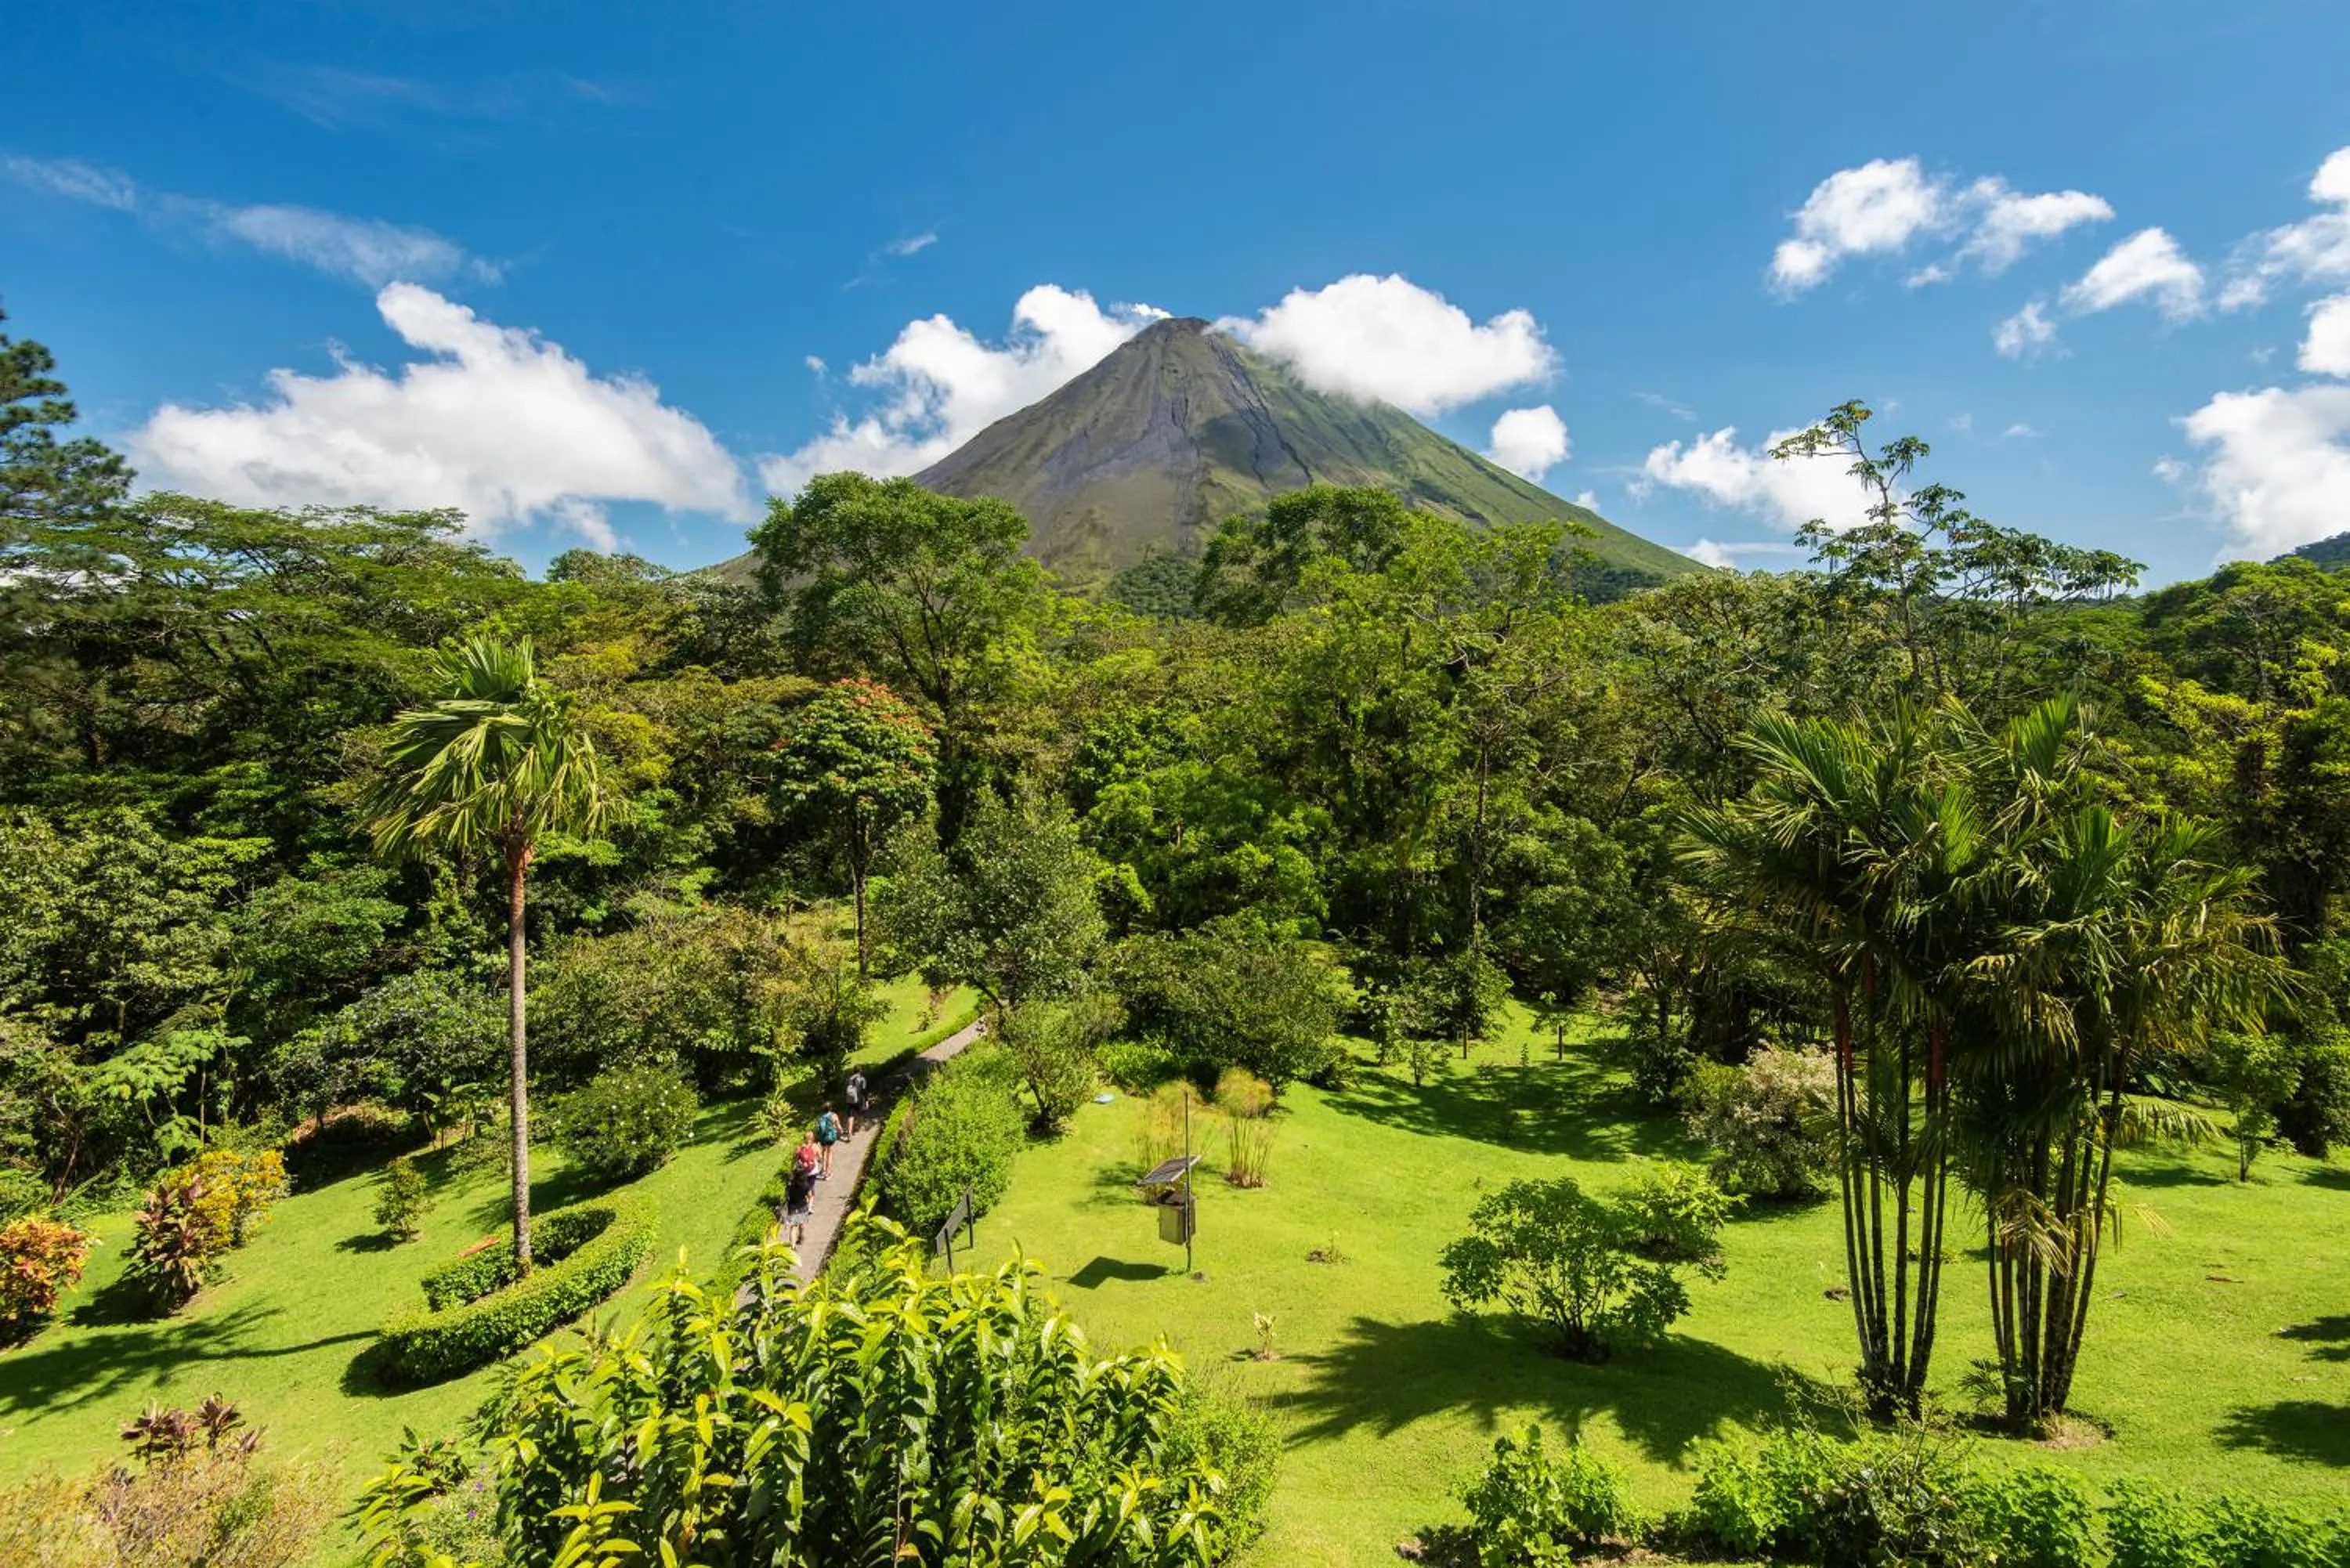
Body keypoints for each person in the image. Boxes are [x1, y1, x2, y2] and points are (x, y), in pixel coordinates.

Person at [783, 1162, 814, 1247]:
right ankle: (801, 1236)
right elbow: (810, 1196)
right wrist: (810, 1205)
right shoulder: (806, 1185)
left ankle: (792, 1246)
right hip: (803, 1206)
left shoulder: (790, 1185)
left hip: (792, 1207)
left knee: (793, 1227)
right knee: (802, 1223)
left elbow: (786, 1194)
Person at [815, 1102, 842, 1178]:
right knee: (829, 1154)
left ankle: (823, 1169)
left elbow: (818, 1128)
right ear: (831, 1108)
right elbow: (838, 1127)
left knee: (824, 1152)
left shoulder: (820, 1117)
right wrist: (841, 1132)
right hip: (830, 1137)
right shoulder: (834, 1116)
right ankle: (827, 1173)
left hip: (822, 1137)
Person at [844, 1068, 869, 1136]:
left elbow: (846, 1090)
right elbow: (864, 1090)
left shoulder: (849, 1079)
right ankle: (859, 1127)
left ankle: (849, 1132)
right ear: (860, 1071)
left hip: (850, 1099)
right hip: (859, 1099)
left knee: (850, 1116)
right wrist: (866, 1101)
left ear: (853, 1071)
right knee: (860, 1114)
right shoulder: (862, 1079)